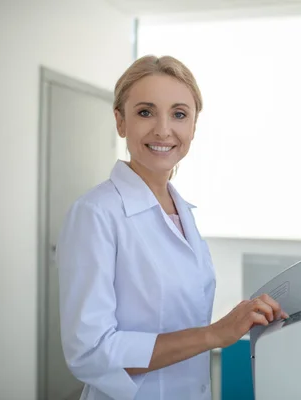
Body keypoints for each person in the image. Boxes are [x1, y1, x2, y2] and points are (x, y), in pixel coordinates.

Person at [56, 55, 288, 400]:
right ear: (120, 121)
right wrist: (213, 335)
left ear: (193, 126)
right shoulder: (96, 213)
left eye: (179, 114)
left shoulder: (181, 212)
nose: (163, 129)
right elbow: (89, 352)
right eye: (145, 112)